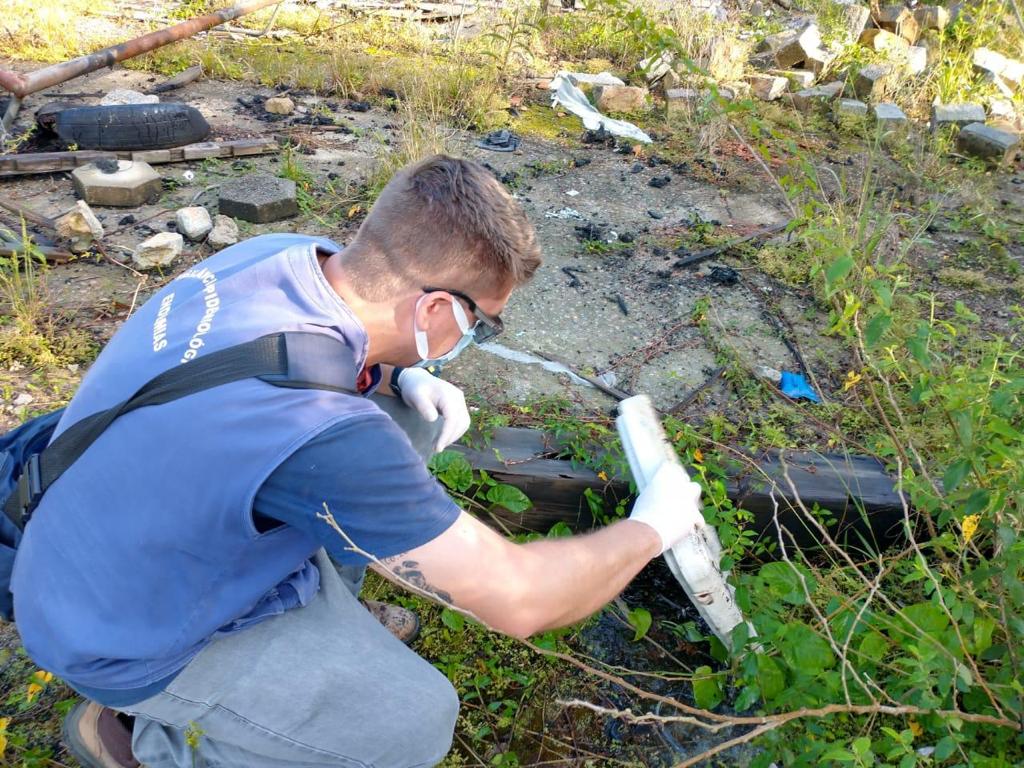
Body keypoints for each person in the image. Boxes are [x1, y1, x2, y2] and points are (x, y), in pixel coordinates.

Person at [11, 154, 702, 768]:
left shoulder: (281, 256)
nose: (480, 338)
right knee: (409, 724)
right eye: (481, 322)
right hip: (119, 632)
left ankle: (322, 610)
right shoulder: (317, 431)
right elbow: (522, 599)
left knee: (404, 419)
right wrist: (654, 527)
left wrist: (400, 377)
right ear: (434, 308)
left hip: (98, 531)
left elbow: (278, 365)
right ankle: (142, 738)